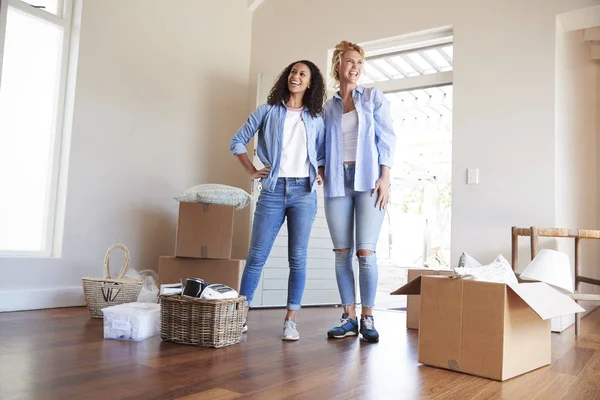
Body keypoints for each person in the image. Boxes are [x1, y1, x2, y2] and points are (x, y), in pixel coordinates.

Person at [230, 60, 326, 341]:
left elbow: (322, 153)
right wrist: (252, 169)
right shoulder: (267, 112)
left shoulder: (317, 118)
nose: (296, 77)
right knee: (257, 256)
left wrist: (320, 171)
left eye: (302, 74)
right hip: (272, 190)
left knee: (298, 259)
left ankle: (290, 320)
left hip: (304, 193)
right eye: (293, 72)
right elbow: (237, 141)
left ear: (310, 84)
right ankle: (241, 315)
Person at [320, 41, 396, 343]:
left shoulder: (373, 97)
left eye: (360, 63)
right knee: (342, 254)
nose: (355, 67)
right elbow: (320, 144)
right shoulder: (328, 106)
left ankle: (368, 316)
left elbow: (387, 137)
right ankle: (348, 318)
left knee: (366, 252)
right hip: (338, 181)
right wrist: (322, 169)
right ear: (338, 66)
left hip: (369, 181)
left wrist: (385, 177)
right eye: (350, 61)